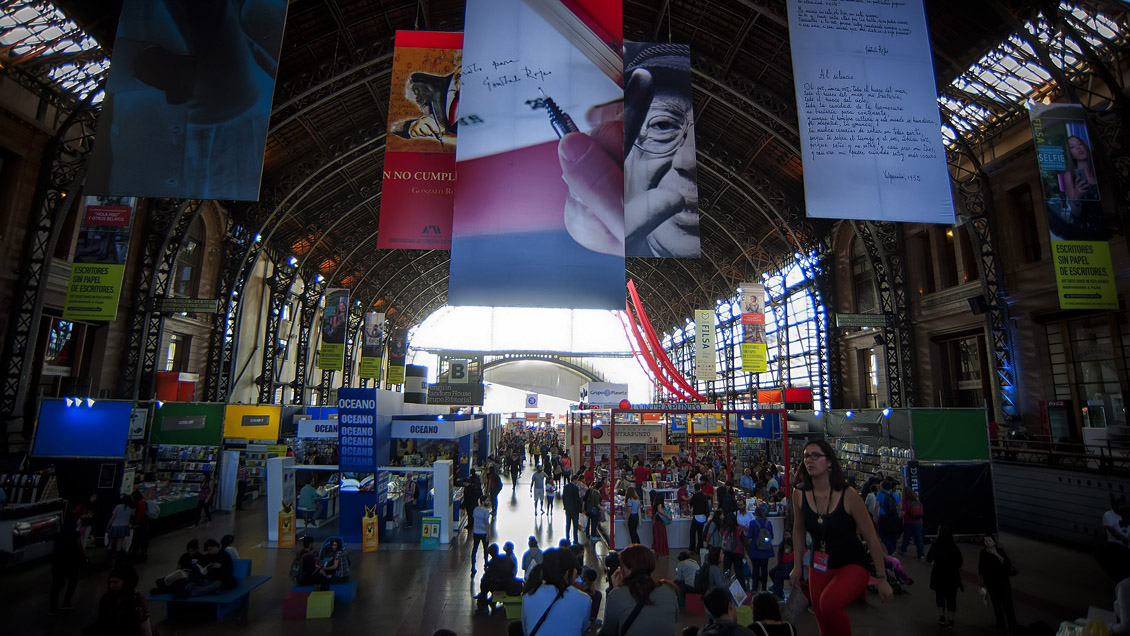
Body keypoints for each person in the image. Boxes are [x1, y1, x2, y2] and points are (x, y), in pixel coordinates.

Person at [790, 439, 893, 636]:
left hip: (852, 564)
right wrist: (796, 565)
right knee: (821, 616)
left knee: (828, 604)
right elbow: (798, 529)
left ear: (829, 461)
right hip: (819, 564)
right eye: (806, 456)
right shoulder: (799, 494)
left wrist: (881, 578)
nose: (809, 460)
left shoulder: (848, 495)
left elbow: (871, 536)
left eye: (815, 455)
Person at [599, 544, 679, 636]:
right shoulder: (669, 589)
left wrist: (614, 590)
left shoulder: (616, 595)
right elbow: (674, 619)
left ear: (630, 569)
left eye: (621, 567)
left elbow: (609, 631)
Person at [521, 548, 592, 636]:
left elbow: (526, 631)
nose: (576, 572)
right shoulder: (584, 600)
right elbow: (583, 630)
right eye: (574, 569)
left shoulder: (528, 597)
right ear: (567, 573)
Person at [84, 563, 152, 636]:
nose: (111, 585)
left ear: (127, 582)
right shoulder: (107, 598)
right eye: (110, 582)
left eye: (115, 582)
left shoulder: (137, 602)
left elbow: (144, 629)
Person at [978, 536, 1019, 633]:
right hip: (991, 582)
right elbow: (981, 569)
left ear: (994, 542)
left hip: (1003, 582)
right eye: (985, 541)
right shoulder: (983, 553)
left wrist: (996, 554)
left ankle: (1012, 624)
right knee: (996, 604)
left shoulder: (1000, 551)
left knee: (1007, 603)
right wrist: (980, 584)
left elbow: (1007, 564)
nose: (987, 542)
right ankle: (1000, 623)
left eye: (989, 540)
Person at [926, 525, 963, 629]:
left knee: (940, 597)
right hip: (952, 577)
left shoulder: (935, 545)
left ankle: (941, 617)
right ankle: (950, 620)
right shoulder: (954, 547)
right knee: (951, 599)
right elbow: (960, 562)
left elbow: (928, 559)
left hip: (939, 576)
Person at [49, 514, 83, 615]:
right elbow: (80, 547)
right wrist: (83, 558)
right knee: (73, 582)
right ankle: (66, 602)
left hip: (58, 562)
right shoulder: (76, 534)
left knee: (56, 586)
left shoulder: (58, 535)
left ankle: (53, 608)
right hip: (72, 562)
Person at [747, 505, 774, 593]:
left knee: (755, 569)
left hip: (755, 549)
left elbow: (750, 536)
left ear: (756, 514)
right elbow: (772, 536)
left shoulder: (752, 523)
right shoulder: (768, 523)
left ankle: (754, 588)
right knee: (764, 569)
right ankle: (764, 588)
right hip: (766, 550)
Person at [874, 478, 903, 555]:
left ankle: (891, 550)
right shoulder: (895, 495)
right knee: (893, 534)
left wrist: (875, 516)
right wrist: (899, 514)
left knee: (882, 534)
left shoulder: (880, 495)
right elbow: (900, 506)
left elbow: (876, 506)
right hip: (894, 517)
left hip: (884, 517)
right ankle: (893, 550)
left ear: (883, 486)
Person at [898, 487, 925, 559]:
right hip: (919, 521)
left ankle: (903, 550)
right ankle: (921, 554)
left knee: (906, 537)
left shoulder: (905, 502)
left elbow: (902, 513)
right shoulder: (917, 501)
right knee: (919, 538)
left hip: (908, 522)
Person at [470, 496, 491, 572]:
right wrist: (488, 534)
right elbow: (486, 523)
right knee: (485, 549)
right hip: (483, 533)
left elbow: (474, 519)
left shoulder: (475, 510)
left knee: (474, 549)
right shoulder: (486, 511)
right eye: (487, 501)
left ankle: (473, 566)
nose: (488, 502)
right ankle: (486, 564)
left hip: (476, 532)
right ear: (483, 502)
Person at [128, 491, 150, 560]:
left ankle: (138, 552)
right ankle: (140, 552)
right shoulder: (142, 502)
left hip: (141, 523)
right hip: (142, 522)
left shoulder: (141, 503)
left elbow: (139, 514)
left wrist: (135, 523)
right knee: (142, 537)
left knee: (139, 537)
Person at [690, 483, 710, 552]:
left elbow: (691, 503)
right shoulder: (704, 496)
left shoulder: (695, 496)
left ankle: (692, 548)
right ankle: (699, 548)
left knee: (692, 532)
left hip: (696, 516)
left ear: (695, 489)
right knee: (700, 533)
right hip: (703, 516)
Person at [563, 475, 582, 544]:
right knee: (575, 525)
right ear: (574, 480)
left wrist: (565, 506)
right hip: (574, 509)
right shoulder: (575, 488)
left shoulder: (566, 487)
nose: (577, 481)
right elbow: (577, 500)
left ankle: (567, 538)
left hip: (568, 509)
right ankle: (575, 539)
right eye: (577, 480)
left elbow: (564, 497)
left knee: (568, 524)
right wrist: (579, 509)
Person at [651, 490, 670, 558]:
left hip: (656, 522)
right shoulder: (659, 504)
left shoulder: (654, 503)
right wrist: (667, 516)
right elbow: (660, 511)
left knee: (657, 537)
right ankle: (661, 551)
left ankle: (657, 550)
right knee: (662, 537)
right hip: (659, 523)